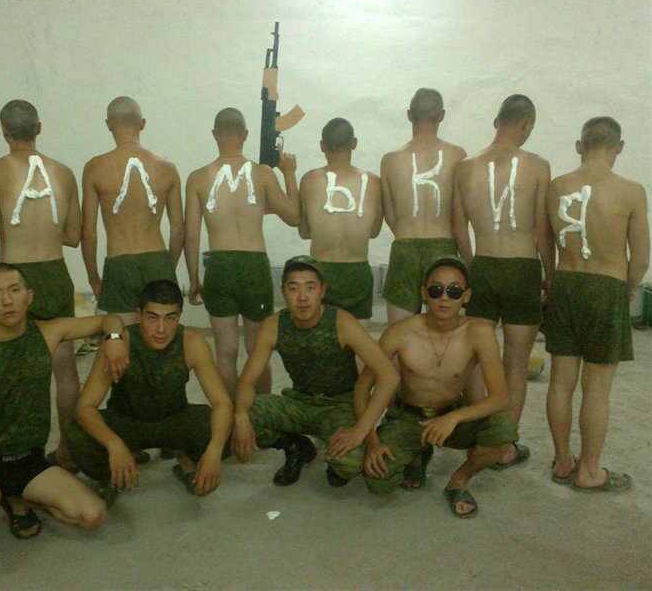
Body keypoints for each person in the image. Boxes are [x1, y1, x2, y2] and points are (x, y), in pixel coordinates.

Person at [0, 263, 127, 555]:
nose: (7, 301)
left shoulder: (47, 334)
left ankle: (25, 498)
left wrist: (113, 340)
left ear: (29, 296)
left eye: (14, 290)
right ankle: (2, 498)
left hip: (28, 461)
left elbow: (110, 320)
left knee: (93, 515)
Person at [355, 256, 517, 518]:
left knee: (503, 433)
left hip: (451, 415)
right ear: (424, 293)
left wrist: (454, 417)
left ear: (466, 296)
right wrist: (371, 440)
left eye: (454, 291)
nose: (444, 297)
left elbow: (499, 398)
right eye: (436, 290)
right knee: (378, 482)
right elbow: (363, 387)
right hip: (406, 418)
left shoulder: (479, 333)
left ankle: (458, 482)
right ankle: (418, 454)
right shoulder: (400, 332)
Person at [0, 99, 82, 472]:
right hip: (55, 272)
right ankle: (68, 450)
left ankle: (20, 453)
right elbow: (73, 236)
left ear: (4, 132)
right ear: (39, 128)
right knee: (64, 368)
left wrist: (8, 225)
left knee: (16, 368)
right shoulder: (64, 172)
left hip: (14, 279)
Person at [544, 117, 649, 492]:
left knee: (560, 382)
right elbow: (641, 257)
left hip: (566, 282)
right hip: (607, 285)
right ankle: (589, 472)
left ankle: (562, 462)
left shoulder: (557, 186)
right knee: (597, 389)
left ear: (579, 145)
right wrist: (629, 288)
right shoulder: (631, 191)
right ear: (619, 147)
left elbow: (547, 241)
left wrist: (551, 279)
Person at [233, 256, 398, 488]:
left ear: (322, 291)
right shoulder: (273, 325)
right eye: (294, 288)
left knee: (349, 464)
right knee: (242, 414)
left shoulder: (341, 322)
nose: (302, 297)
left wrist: (361, 430)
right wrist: (241, 416)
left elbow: (389, 375)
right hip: (300, 402)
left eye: (310, 287)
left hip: (340, 405)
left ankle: (335, 459)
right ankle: (296, 446)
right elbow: (247, 381)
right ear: (283, 292)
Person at [452, 94, 554, 468]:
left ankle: (480, 433)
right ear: (526, 124)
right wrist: (551, 272)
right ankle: (504, 447)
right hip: (522, 267)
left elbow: (458, 227)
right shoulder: (537, 166)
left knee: (477, 358)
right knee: (515, 363)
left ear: (497, 121)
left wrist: (471, 267)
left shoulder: (466, 167)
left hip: (483, 264)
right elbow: (541, 230)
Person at [67, 280, 233, 497]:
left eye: (170, 318)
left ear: (179, 317)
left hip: (173, 420)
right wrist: (114, 443)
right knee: (78, 437)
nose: (161, 329)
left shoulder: (191, 342)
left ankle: (187, 461)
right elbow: (84, 407)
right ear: (139, 315)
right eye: (152, 318)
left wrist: (214, 451)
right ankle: (112, 475)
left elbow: (222, 402)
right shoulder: (121, 344)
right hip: (126, 423)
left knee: (228, 428)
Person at [184, 107, 299, 398]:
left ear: (214, 134)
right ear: (245, 135)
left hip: (219, 265)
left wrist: (194, 277)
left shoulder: (197, 178)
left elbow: (192, 235)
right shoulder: (262, 174)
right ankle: (259, 414)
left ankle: (230, 415)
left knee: (225, 352)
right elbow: (294, 217)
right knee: (257, 350)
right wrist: (289, 174)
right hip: (253, 265)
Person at [81, 96, 183, 326]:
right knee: (161, 337)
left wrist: (93, 278)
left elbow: (88, 231)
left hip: (119, 262)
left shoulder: (95, 168)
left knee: (122, 338)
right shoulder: (167, 168)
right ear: (142, 124)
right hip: (158, 259)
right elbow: (178, 228)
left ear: (108, 124)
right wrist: (168, 267)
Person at [380, 88, 466, 324]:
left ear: (409, 115)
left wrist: (407, 233)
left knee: (401, 332)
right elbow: (460, 215)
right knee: (443, 330)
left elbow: (389, 214)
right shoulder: (458, 155)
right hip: (443, 246)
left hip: (405, 246)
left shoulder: (390, 159)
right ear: (442, 115)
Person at [298, 117, 382, 325]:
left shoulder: (309, 180)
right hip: (358, 270)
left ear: (322, 146)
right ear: (354, 143)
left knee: (320, 336)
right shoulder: (372, 182)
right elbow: (374, 231)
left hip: (320, 270)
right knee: (358, 338)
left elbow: (304, 232)